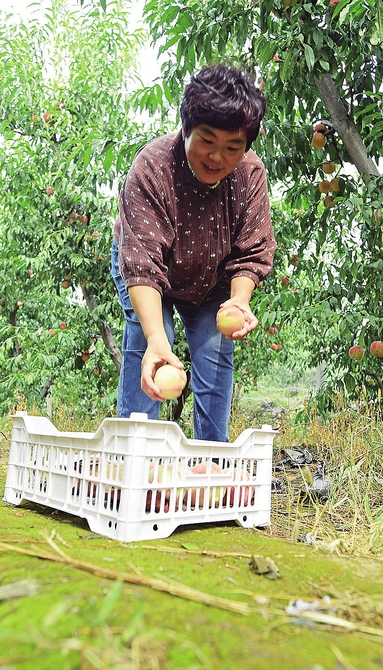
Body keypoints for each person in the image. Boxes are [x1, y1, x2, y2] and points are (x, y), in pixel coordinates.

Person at [110, 64, 274, 442]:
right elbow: (143, 267)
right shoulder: (152, 169)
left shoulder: (249, 175)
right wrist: (157, 341)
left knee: (215, 356)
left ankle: (212, 461)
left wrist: (238, 302)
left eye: (233, 147)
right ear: (186, 128)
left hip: (212, 280)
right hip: (151, 272)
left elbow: (252, 251)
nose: (217, 157)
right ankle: (134, 454)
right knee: (150, 340)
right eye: (207, 141)